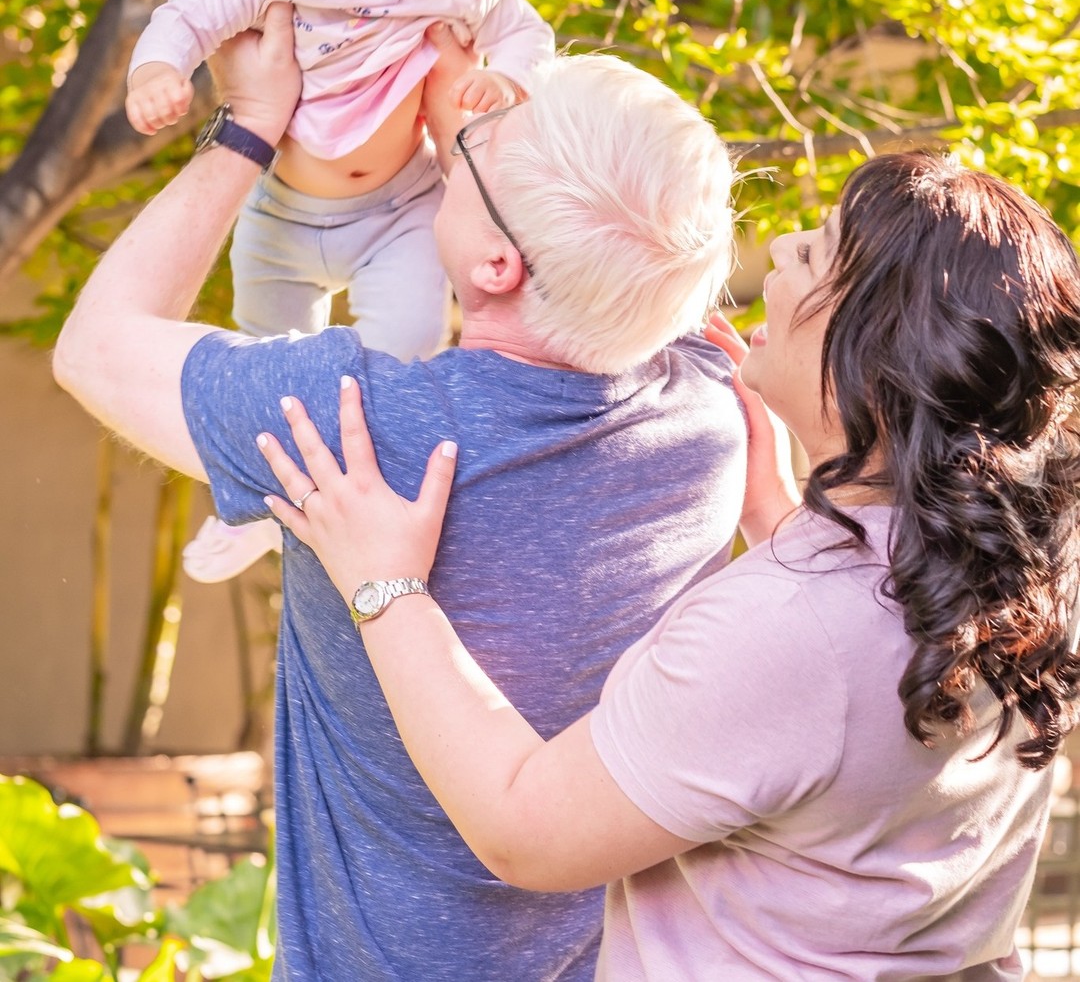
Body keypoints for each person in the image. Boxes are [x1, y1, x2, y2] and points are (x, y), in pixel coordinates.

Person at [257, 150, 1080, 980]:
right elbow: (855, 714)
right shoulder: (1025, 569)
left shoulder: (782, 630)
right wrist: (778, 512)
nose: (781, 248)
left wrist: (388, 587)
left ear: (871, 347)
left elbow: (524, 830)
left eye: (814, 250)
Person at [54, 7, 748, 981]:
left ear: (499, 264)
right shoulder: (707, 414)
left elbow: (94, 346)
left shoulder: (358, 427)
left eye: (477, 142)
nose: (458, 136)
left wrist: (252, 122)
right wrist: (473, 133)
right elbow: (604, 255)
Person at [126, 0, 555, 582]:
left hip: (403, 208)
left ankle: (378, 506)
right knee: (271, 371)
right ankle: (262, 508)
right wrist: (157, 71)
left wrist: (507, 76)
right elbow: (187, 16)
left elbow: (525, 32)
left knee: (403, 354)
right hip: (283, 215)